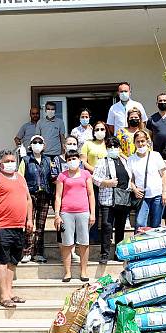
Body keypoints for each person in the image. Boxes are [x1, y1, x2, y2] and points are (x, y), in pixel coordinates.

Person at [0, 149, 33, 308]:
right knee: (1, 261)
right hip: (1, 227)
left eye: (13, 161)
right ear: (0, 163)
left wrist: (29, 219)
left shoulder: (20, 178)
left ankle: (10, 293)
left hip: (18, 226)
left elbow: (28, 200)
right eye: (7, 161)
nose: (11, 164)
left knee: (13, 261)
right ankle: (3, 296)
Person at [54, 150, 95, 282]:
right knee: (67, 243)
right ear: (66, 161)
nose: (72, 161)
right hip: (66, 212)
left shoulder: (86, 174)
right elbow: (58, 196)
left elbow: (91, 194)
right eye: (70, 159)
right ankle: (67, 272)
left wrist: (92, 213)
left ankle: (84, 271)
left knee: (84, 242)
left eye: (74, 158)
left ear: (79, 159)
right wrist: (57, 214)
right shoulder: (62, 176)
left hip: (83, 211)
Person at [92, 137, 132, 264]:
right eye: (110, 146)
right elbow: (95, 179)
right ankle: (104, 254)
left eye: (115, 146)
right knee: (106, 226)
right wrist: (106, 182)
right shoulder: (102, 162)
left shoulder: (124, 161)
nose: (113, 148)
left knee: (120, 228)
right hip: (108, 200)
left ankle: (118, 254)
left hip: (122, 199)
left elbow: (129, 178)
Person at [18, 135, 51, 264]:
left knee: (41, 226)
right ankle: (27, 252)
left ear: (44, 145)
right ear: (30, 145)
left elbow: (52, 177)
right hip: (30, 196)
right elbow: (20, 179)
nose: (37, 144)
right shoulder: (25, 160)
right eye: (35, 142)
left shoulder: (48, 160)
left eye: (40, 142)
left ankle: (38, 253)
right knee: (29, 224)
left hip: (44, 195)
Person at [128, 130, 166, 231]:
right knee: (140, 223)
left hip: (157, 195)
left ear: (147, 141)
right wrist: (135, 189)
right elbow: (130, 179)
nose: (141, 144)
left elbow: (164, 175)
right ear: (134, 143)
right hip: (142, 196)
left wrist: (165, 192)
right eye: (138, 141)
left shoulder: (156, 155)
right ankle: (139, 246)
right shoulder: (131, 159)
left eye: (143, 141)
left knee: (155, 224)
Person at [51, 136, 82, 263]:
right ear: (64, 146)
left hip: (76, 200)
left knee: (74, 228)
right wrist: (65, 181)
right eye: (69, 143)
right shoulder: (57, 160)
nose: (72, 145)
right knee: (62, 227)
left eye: (74, 143)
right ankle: (64, 252)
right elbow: (53, 177)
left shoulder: (78, 161)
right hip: (61, 198)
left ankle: (72, 251)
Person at [80, 121, 108, 243]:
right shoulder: (88, 144)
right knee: (93, 208)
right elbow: (83, 162)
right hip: (92, 180)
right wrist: (96, 171)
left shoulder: (109, 144)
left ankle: (107, 237)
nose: (100, 132)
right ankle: (93, 236)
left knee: (107, 210)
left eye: (102, 129)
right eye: (97, 129)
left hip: (108, 182)